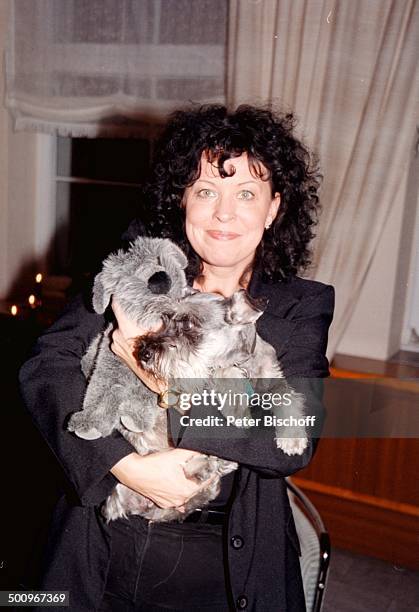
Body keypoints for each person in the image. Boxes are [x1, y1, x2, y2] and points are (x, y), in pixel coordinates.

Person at [19, 104, 335, 612]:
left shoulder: (302, 305)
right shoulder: (141, 267)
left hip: (226, 557)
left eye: (246, 194)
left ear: (274, 208)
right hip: (103, 532)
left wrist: (162, 383)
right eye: (206, 190)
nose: (223, 214)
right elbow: (47, 366)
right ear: (183, 199)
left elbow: (291, 444)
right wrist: (123, 465)